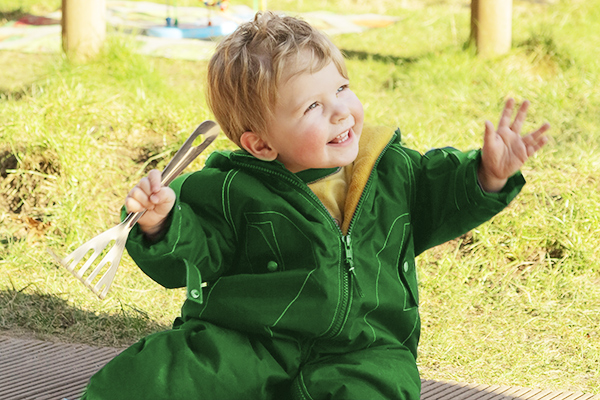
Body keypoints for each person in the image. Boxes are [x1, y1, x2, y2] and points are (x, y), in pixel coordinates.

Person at [81, 11, 550, 400]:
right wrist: (161, 223)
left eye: (342, 89)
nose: (341, 111)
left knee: (377, 392)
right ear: (261, 143)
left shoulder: (393, 171)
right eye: (312, 108)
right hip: (248, 338)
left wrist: (488, 174)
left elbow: (442, 193)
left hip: (365, 348)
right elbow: (192, 253)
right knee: (153, 378)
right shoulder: (230, 188)